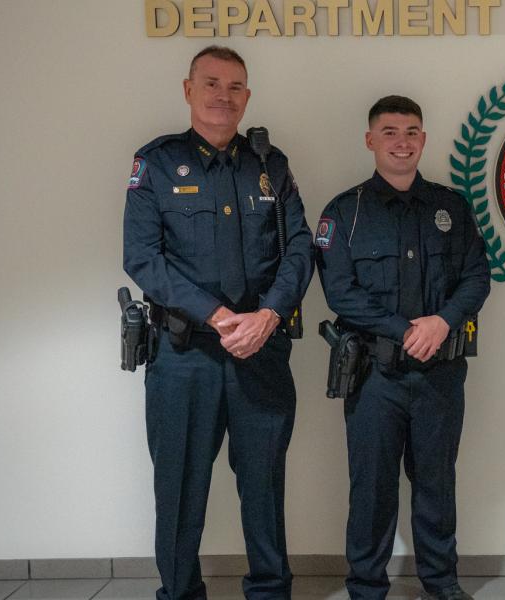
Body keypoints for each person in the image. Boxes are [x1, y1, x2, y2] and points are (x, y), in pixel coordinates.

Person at [122, 46, 313, 600]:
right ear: (188, 90)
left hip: (261, 352)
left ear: (247, 96)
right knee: (179, 489)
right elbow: (142, 258)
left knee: (264, 487)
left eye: (234, 87)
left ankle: (270, 591)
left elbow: (300, 248)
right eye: (211, 84)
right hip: (185, 358)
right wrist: (219, 315)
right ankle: (180, 593)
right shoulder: (157, 164)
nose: (223, 96)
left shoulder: (270, 164)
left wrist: (269, 314)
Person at [314, 95, 490, 600]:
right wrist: (404, 329)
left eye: (412, 132)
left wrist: (443, 321)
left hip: (439, 375)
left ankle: (441, 583)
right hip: (374, 376)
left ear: (423, 140)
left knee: (436, 485)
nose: (402, 142)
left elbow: (477, 277)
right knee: (371, 488)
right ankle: (367, 588)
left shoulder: (451, 206)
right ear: (370, 140)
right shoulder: (345, 212)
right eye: (390, 132)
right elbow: (340, 291)